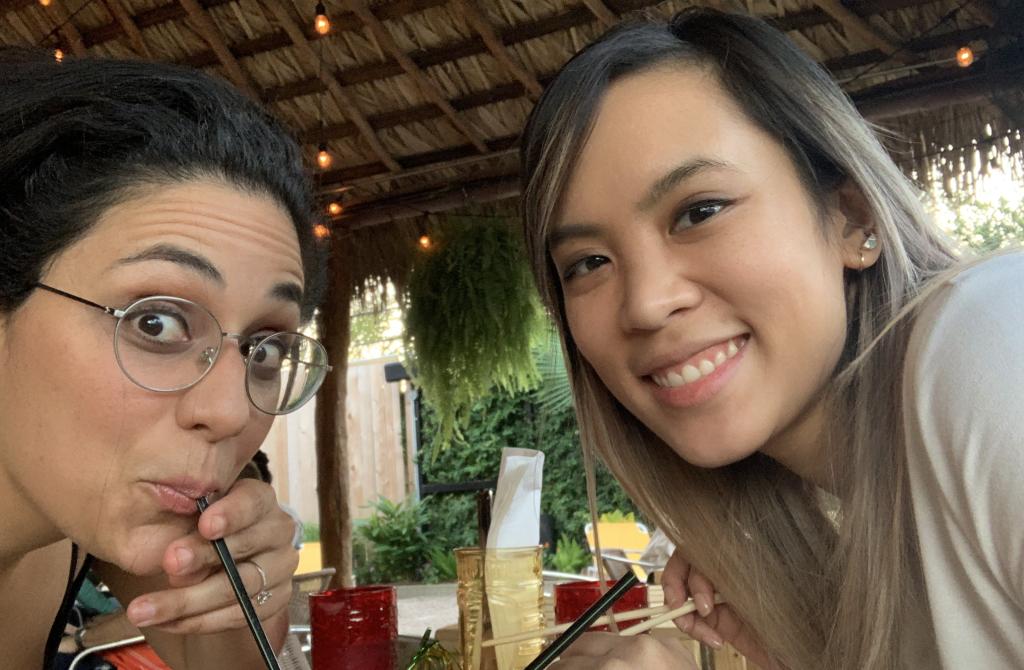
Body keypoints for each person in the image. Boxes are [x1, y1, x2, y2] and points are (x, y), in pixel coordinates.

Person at [519, 8, 1023, 670]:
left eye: (699, 212)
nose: (644, 303)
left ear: (851, 216)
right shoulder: (824, 529)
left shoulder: (990, 340)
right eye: (587, 263)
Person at [0, 47, 330, 668]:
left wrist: (225, 625)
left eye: (264, 348)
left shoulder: (86, 516)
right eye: (156, 322)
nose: (231, 411)